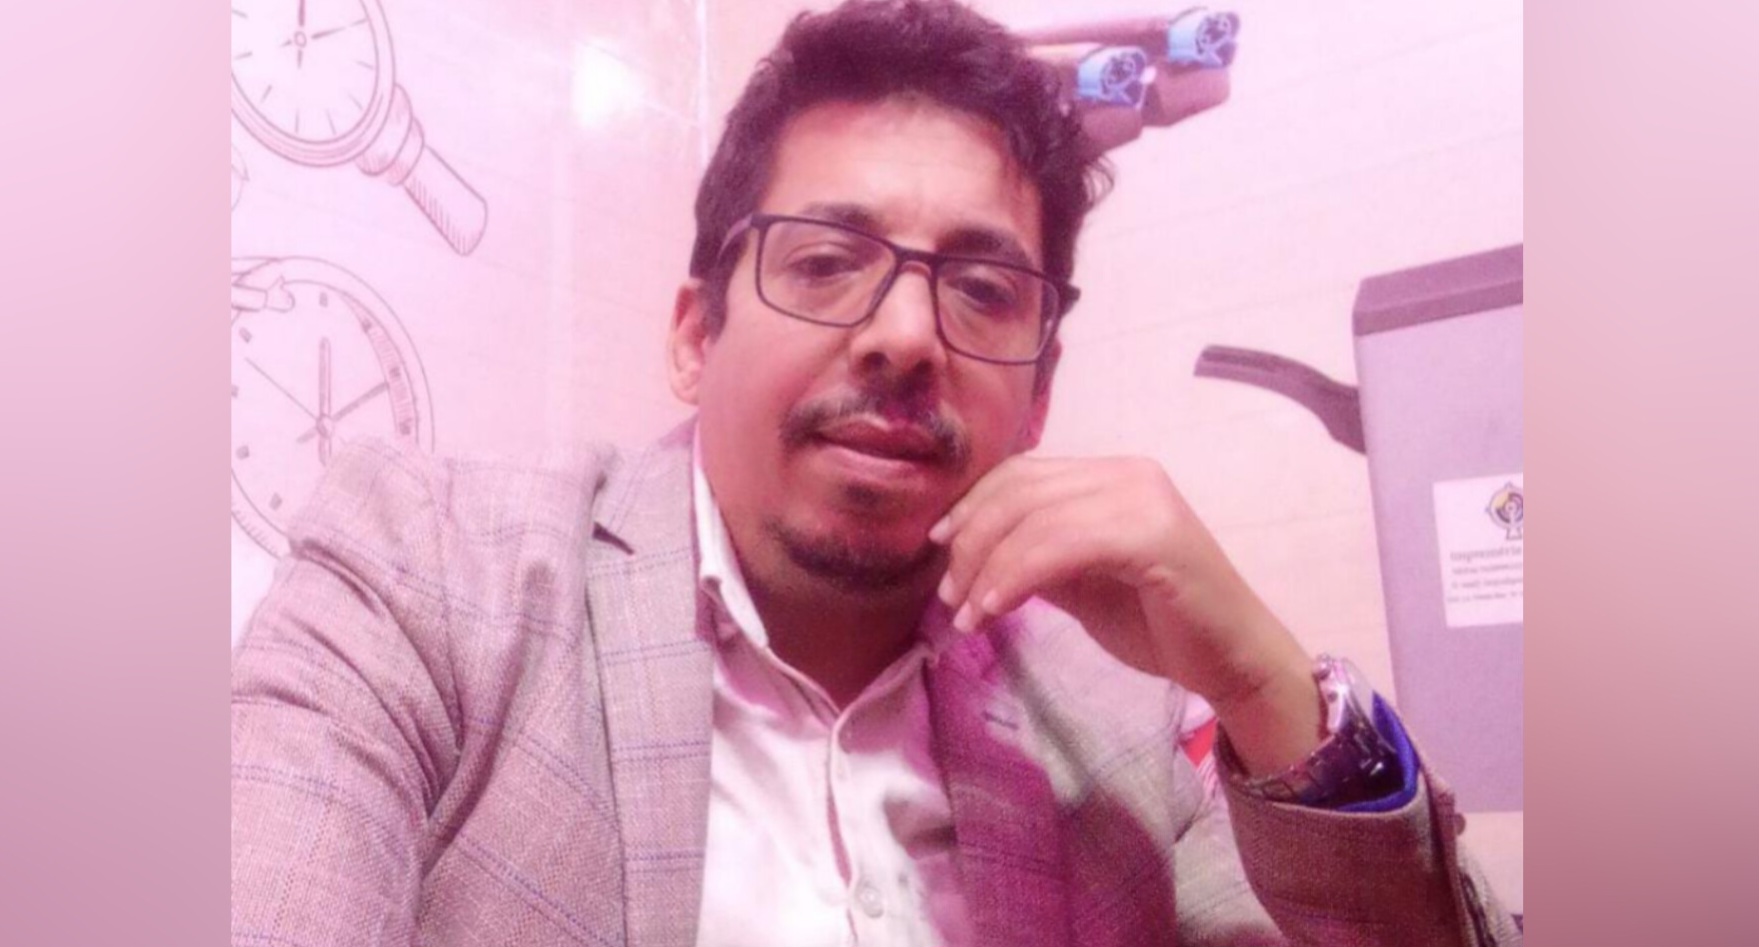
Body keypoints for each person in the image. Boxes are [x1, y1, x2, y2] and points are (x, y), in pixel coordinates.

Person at [230, 2, 1521, 944]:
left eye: (982, 288)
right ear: (695, 336)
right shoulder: (424, 576)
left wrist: (1265, 687)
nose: (906, 336)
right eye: (825, 261)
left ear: (1040, 395)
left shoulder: (1121, 723)